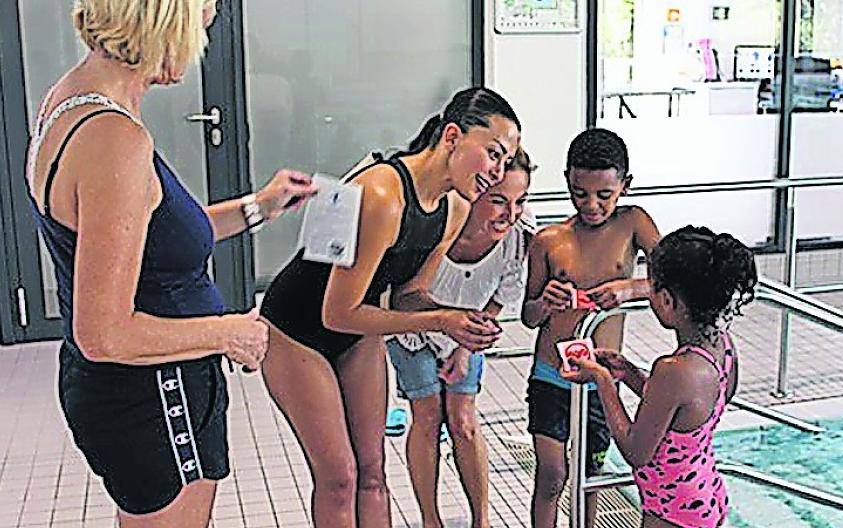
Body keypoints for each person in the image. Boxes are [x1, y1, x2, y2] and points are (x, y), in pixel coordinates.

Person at [23, 1, 317, 526]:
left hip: (130, 390)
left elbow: (150, 235)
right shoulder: (114, 139)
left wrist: (259, 206)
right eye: (201, 18)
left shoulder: (69, 101)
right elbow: (105, 333)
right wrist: (227, 333)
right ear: (163, 21)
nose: (203, 34)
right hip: (154, 393)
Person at [259, 87, 522, 528]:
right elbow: (336, 313)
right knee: (339, 478)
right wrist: (440, 319)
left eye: (505, 163)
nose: (497, 173)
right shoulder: (383, 194)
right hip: (295, 330)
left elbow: (407, 295)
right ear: (453, 135)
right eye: (493, 154)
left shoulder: (454, 206)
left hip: (357, 328)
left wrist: (455, 319)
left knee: (373, 472)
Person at [563, 226, 757, 528]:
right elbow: (684, 413)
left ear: (667, 301)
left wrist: (603, 381)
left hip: (671, 510)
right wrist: (628, 374)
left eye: (651, 288)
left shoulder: (673, 370)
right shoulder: (723, 347)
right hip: (704, 495)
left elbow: (636, 451)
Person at [387, 148, 537, 528]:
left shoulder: (519, 234)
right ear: (475, 193)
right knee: (427, 414)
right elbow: (404, 298)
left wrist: (466, 347)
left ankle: (481, 521)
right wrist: (444, 327)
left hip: (468, 330)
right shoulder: (439, 224)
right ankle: (430, 520)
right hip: (411, 327)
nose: (511, 213)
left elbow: (502, 295)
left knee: (464, 420)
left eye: (520, 201)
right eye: (499, 201)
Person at [521, 128, 660, 528]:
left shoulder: (633, 224)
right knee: (551, 475)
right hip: (550, 373)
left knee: (590, 477)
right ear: (567, 180)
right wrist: (544, 302)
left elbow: (672, 280)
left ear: (625, 186)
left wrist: (628, 288)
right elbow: (529, 317)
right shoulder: (549, 240)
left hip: (601, 381)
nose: (592, 205)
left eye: (605, 195)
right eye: (581, 193)